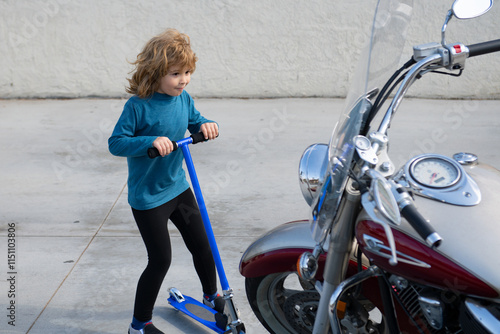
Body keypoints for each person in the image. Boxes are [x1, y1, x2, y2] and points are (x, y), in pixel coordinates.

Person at [108, 28, 224, 334]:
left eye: (187, 72)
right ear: (155, 73)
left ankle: (211, 296)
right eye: (175, 73)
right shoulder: (138, 106)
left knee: (202, 245)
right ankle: (139, 324)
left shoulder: (183, 99)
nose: (183, 79)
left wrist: (206, 125)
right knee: (160, 260)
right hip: (148, 199)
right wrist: (149, 142)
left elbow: (195, 120)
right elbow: (116, 143)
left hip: (178, 188)